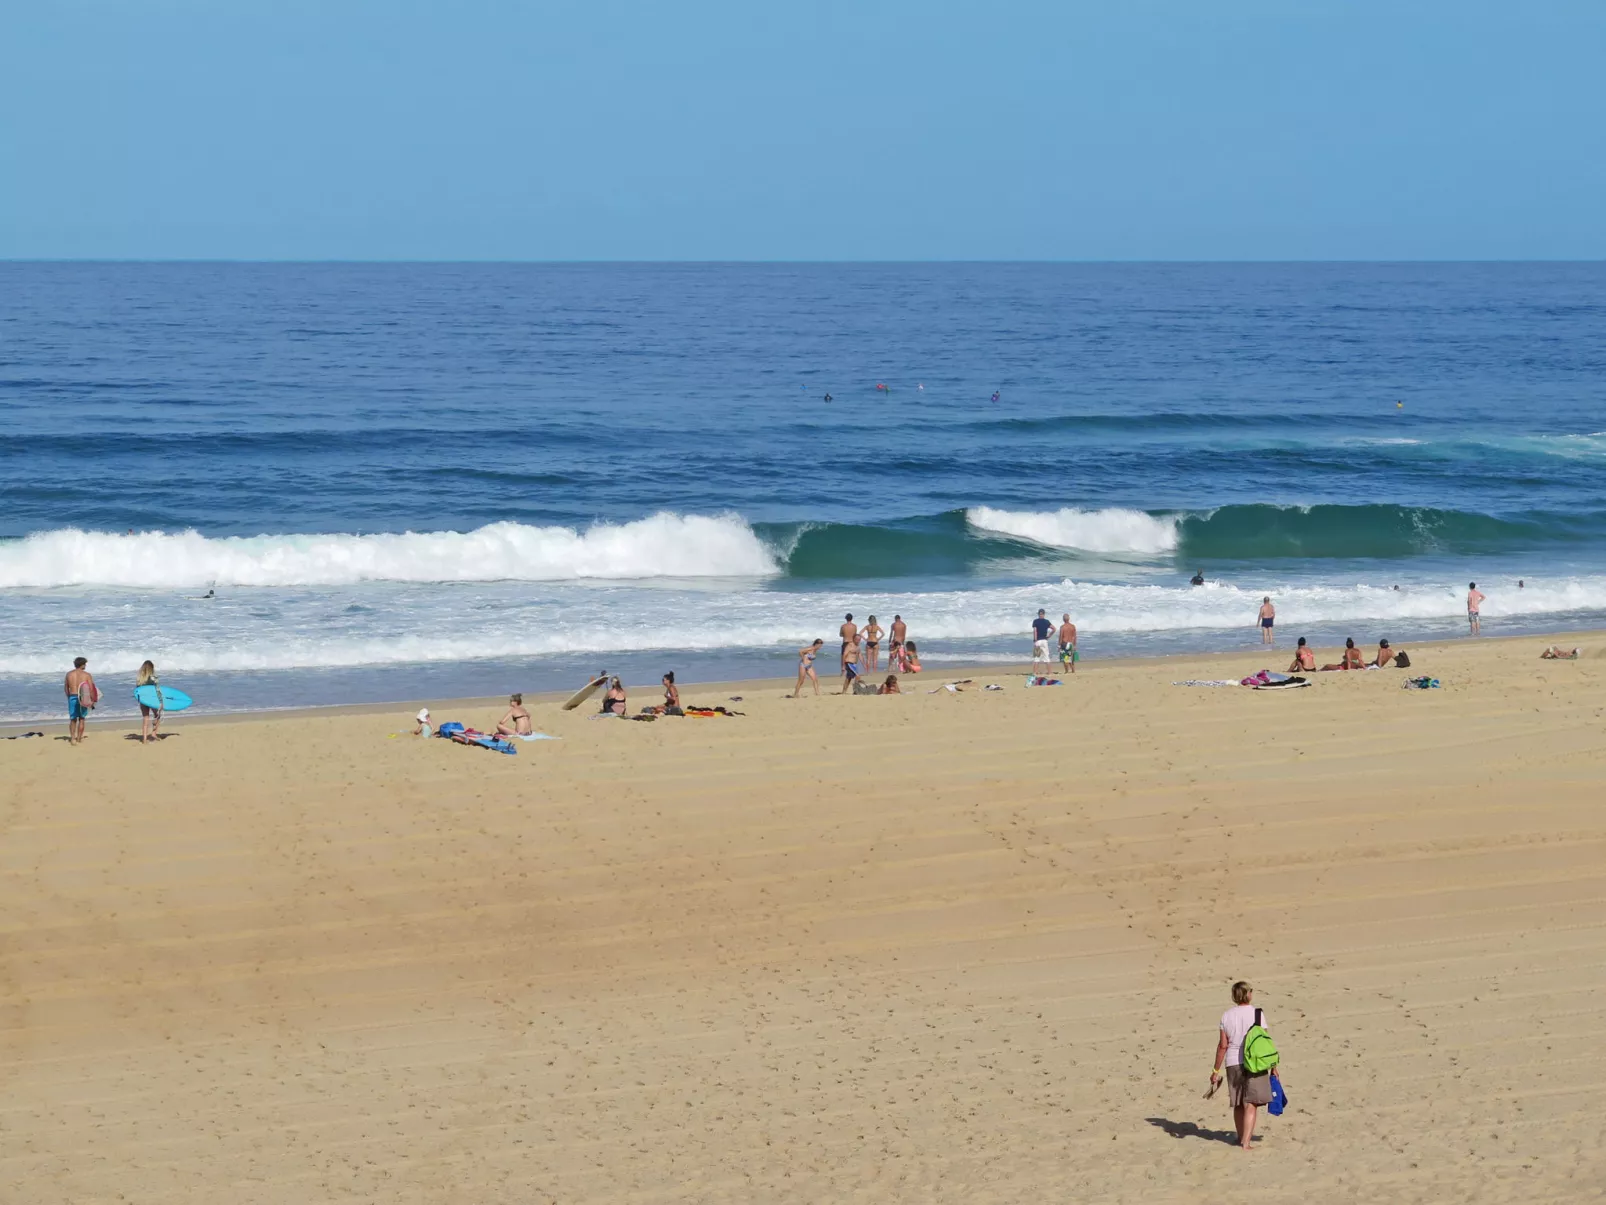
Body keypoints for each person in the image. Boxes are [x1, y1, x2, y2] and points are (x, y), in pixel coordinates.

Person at [1209, 980, 1280, 1151]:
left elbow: (1222, 1045)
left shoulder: (1226, 1016)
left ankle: (1240, 1137)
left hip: (1233, 1062)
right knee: (1252, 1103)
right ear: (1248, 994)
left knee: (1239, 1103)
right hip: (1255, 1062)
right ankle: (1246, 1143)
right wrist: (1273, 1067)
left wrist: (1215, 1070)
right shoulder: (1257, 1013)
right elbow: (1265, 1043)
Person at [64, 656, 98, 746]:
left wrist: (69, 697)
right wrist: (92, 700)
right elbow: (90, 689)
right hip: (83, 697)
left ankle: (72, 739)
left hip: (72, 696)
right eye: (85, 664)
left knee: (73, 719)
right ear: (82, 665)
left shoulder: (69, 674)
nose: (85, 665)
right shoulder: (87, 675)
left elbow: (66, 688)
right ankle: (79, 738)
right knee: (82, 718)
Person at [136, 659, 163, 744]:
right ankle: (154, 733)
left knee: (145, 718)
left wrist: (139, 700)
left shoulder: (140, 679)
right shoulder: (154, 678)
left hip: (143, 701)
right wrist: (161, 702)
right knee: (157, 715)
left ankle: (144, 739)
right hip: (152, 700)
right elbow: (158, 691)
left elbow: (137, 691)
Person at [1031, 609, 1054, 674]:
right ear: (1044, 614)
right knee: (1046, 656)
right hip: (1044, 640)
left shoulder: (1035, 621)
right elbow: (1054, 629)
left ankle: (1035, 672)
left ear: (1039, 614)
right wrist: (1049, 636)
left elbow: (1035, 631)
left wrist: (1035, 640)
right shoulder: (1046, 621)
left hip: (1038, 640)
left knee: (1036, 657)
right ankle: (1049, 672)